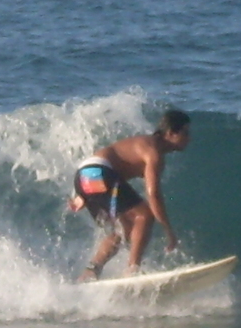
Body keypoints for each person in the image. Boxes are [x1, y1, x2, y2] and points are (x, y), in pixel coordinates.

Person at [69, 108, 191, 281]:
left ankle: (90, 271)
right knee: (145, 215)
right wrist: (168, 230)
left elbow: (99, 167)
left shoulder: (144, 144)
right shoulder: (153, 152)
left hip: (84, 176)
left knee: (122, 230)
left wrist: (83, 194)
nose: (189, 138)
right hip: (100, 172)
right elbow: (153, 194)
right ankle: (133, 270)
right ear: (171, 133)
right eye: (185, 133)